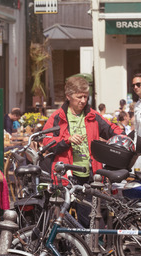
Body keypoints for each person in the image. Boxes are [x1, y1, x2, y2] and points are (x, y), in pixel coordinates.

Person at [42, 76, 122, 228]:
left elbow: (112, 129)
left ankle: (92, 248)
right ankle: (64, 248)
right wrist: (67, 140)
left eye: (86, 96)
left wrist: (124, 136)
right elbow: (47, 141)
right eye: (79, 97)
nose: (83, 100)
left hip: (90, 174)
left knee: (90, 217)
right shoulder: (57, 117)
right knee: (61, 217)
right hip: (66, 174)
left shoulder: (92, 115)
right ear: (68, 96)